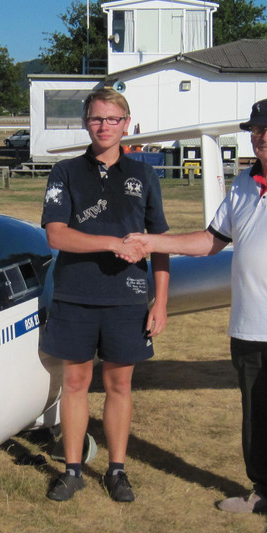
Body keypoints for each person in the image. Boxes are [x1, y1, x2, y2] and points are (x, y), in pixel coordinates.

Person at [126, 98, 267, 533]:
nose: (266, 137)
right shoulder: (244, 184)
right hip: (247, 328)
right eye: (258, 130)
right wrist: (152, 241)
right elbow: (211, 240)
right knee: (257, 421)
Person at [40, 87, 170, 503]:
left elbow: (159, 243)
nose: (104, 126)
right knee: (75, 383)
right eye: (97, 119)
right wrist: (112, 243)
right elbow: (56, 234)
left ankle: (117, 471)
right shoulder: (64, 172)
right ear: (85, 123)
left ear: (125, 125)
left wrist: (161, 301)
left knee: (119, 384)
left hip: (128, 298)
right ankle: (73, 469)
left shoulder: (145, 175)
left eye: (113, 119)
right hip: (75, 295)